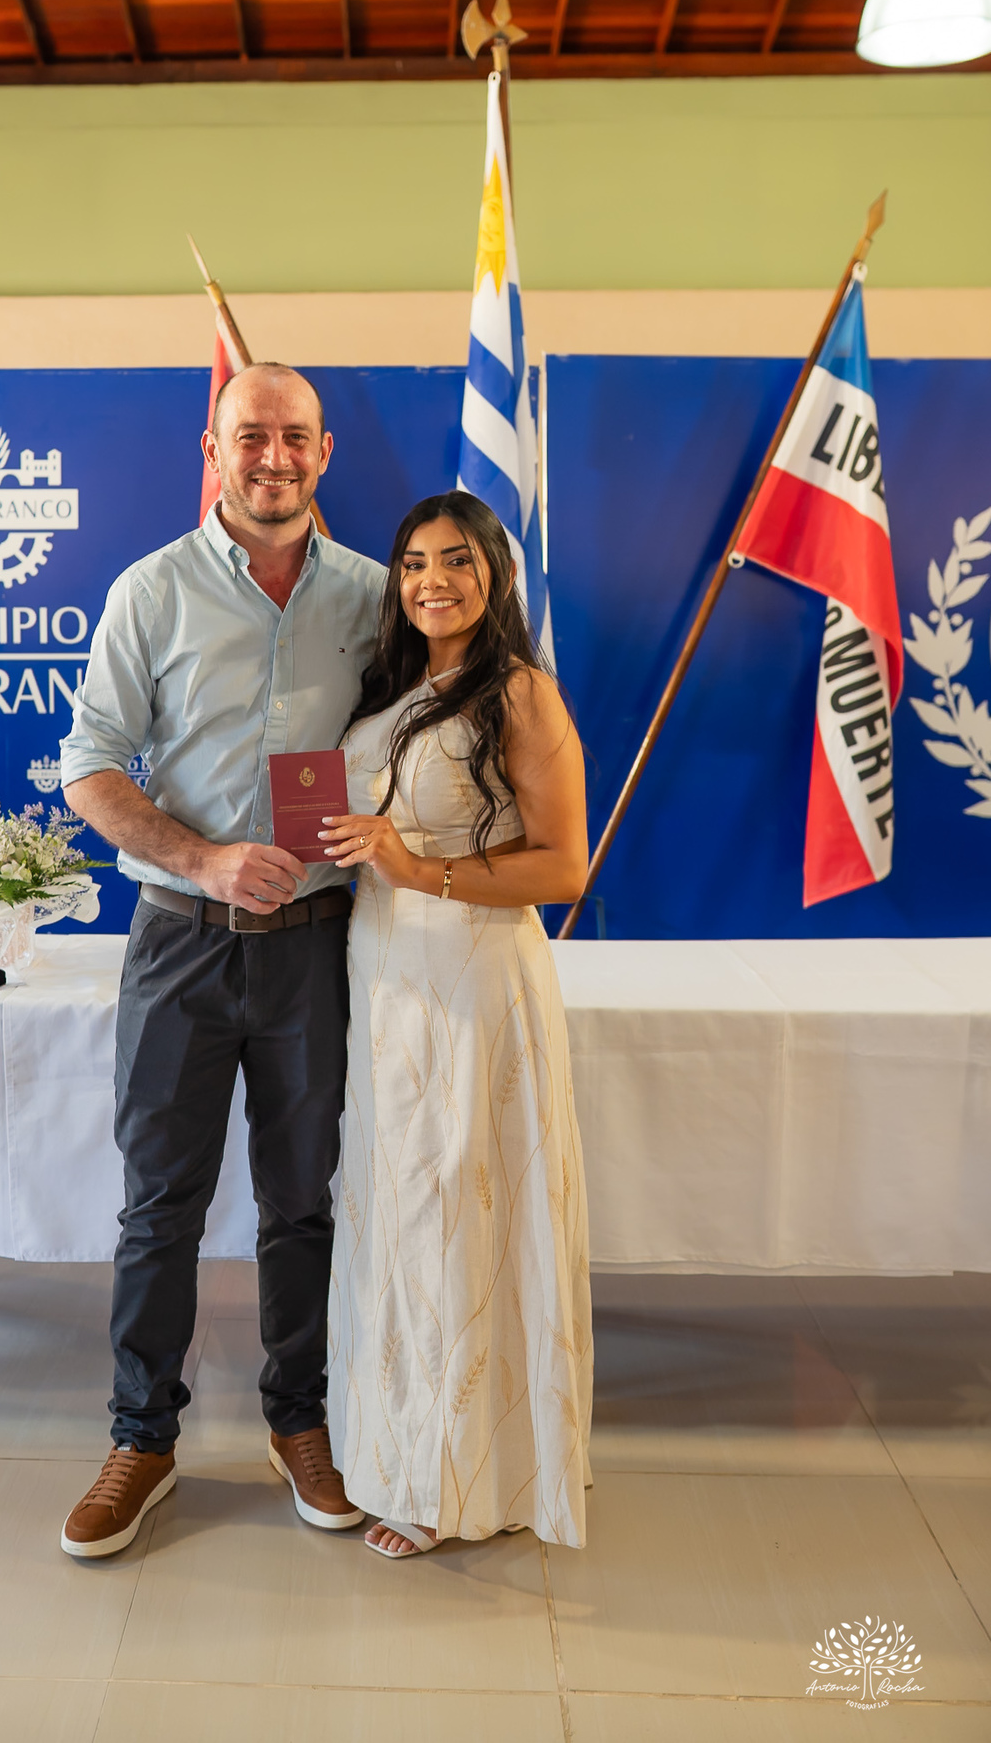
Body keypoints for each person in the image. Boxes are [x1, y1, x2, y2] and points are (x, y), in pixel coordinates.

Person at [57, 362, 384, 1557]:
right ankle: (141, 1440)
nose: (274, 457)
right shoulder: (150, 591)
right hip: (180, 946)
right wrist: (201, 858)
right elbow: (89, 765)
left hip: (317, 950)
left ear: (325, 451)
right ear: (214, 449)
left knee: (302, 1203)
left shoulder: (377, 596)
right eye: (251, 436)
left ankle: (300, 1424)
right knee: (160, 1206)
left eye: (295, 436)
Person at [321, 490, 594, 1557]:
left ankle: (454, 1482)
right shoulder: (393, 688)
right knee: (398, 1212)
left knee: (457, 1209)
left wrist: (416, 867)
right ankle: (395, 1447)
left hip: (472, 981)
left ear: (495, 574)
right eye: (413, 563)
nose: (431, 579)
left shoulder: (519, 692)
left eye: (456, 561)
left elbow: (564, 868)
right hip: (384, 979)